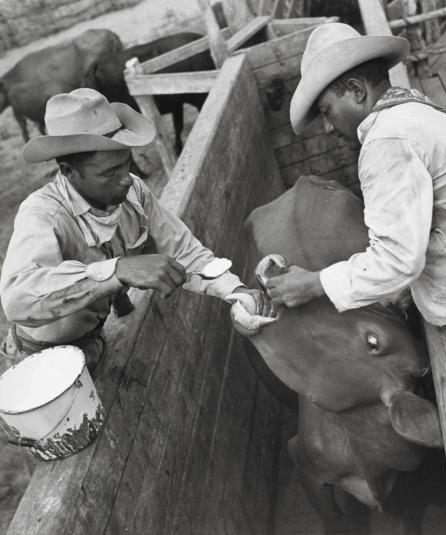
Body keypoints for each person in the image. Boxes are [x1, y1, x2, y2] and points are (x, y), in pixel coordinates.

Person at [264, 22, 446, 519]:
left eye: (327, 110)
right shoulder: (421, 114)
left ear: (354, 89)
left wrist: (316, 281)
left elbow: (396, 258)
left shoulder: (387, 139)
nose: (329, 127)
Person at [0, 88, 271, 373]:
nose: (125, 180)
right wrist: (117, 271)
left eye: (126, 164)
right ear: (68, 171)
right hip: (39, 360)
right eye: (109, 173)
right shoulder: (44, 215)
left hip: (93, 340)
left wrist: (236, 291)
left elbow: (182, 249)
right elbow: (18, 299)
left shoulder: (134, 192)